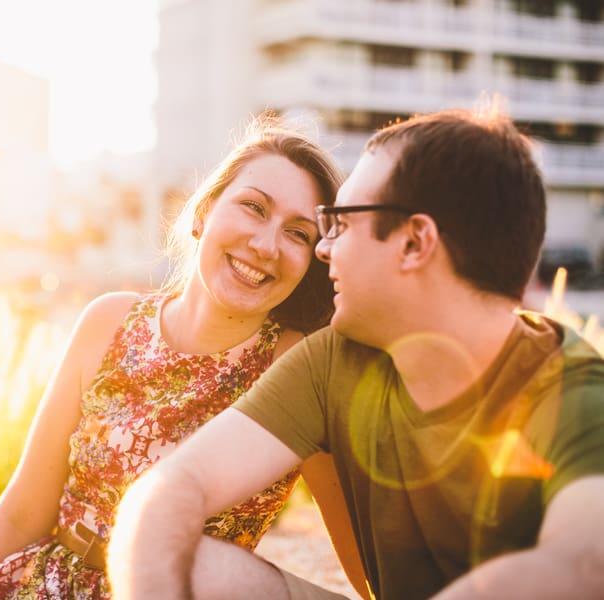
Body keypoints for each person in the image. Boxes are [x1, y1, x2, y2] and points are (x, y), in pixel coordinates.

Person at [108, 107, 604, 599]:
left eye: (340, 223)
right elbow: (170, 489)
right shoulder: (333, 361)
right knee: (193, 563)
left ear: (414, 243)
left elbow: (581, 564)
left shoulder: (574, 392)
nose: (324, 250)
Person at [0, 117, 369, 599]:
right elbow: (24, 508)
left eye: (298, 233)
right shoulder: (108, 320)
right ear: (202, 214)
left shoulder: (296, 365)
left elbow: (365, 558)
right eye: (253, 207)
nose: (265, 244)